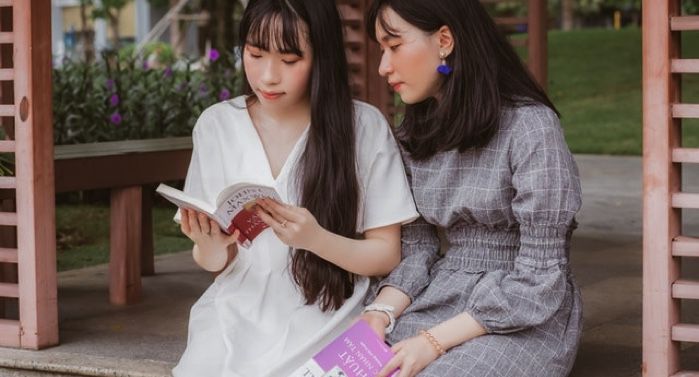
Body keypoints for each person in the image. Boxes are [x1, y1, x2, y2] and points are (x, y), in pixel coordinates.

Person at [171, 0, 418, 376]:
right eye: (254, 54)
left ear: (322, 57)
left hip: (329, 314)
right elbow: (215, 265)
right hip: (237, 314)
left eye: (289, 61)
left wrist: (316, 239)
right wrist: (210, 247)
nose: (268, 76)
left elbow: (387, 254)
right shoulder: (216, 125)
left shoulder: (363, 128)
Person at [358, 1, 583, 377]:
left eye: (394, 46)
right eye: (381, 50)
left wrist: (431, 342)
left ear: (444, 40)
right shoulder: (413, 137)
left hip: (525, 313)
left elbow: (539, 281)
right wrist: (379, 312)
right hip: (443, 296)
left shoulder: (531, 128)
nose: (384, 66)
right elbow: (416, 252)